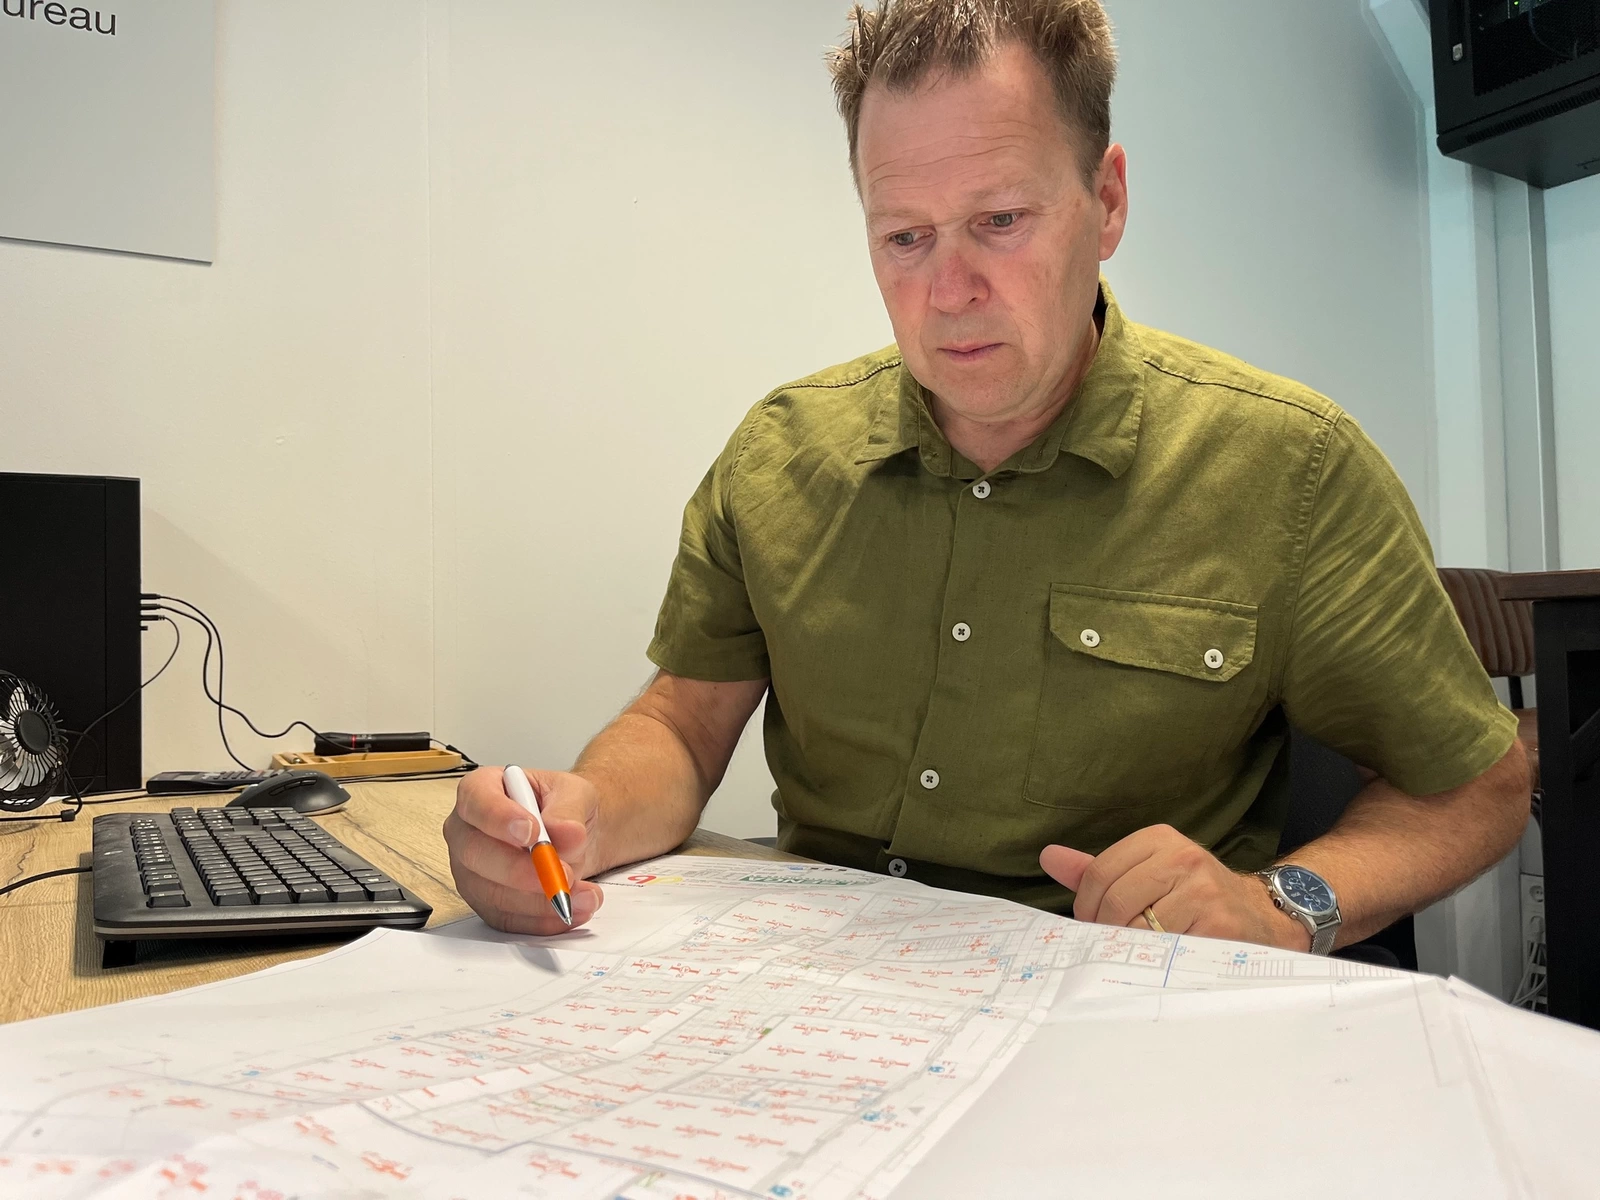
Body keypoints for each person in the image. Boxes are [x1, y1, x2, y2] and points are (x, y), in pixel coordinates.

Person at [444, 0, 1528, 954]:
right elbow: (682, 727)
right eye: (904, 237)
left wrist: (1279, 905)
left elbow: (1480, 783)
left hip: (1110, 1014)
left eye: (999, 222)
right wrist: (578, 817)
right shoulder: (781, 452)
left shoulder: (1290, 470)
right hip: (808, 997)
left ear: (1106, 202)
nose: (950, 289)